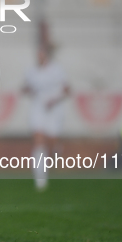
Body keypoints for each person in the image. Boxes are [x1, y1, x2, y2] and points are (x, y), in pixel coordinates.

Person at [21, 44, 70, 191]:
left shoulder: (56, 70)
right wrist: (27, 90)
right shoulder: (32, 71)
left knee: (51, 145)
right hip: (38, 109)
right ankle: (40, 180)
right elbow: (26, 87)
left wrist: (54, 100)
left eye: (42, 53)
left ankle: (55, 150)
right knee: (38, 142)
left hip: (54, 110)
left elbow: (67, 90)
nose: (39, 56)